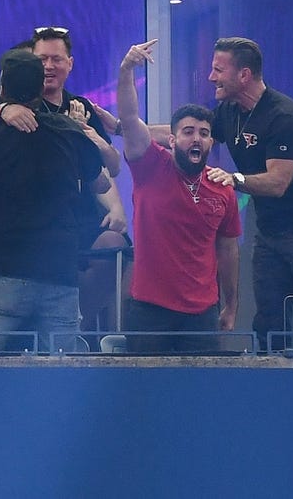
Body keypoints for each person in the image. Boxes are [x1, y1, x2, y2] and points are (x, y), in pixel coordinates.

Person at [0, 50, 109, 353]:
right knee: (60, 376)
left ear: (2, 89)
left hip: (1, 269)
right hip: (59, 270)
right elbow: (102, 182)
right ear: (43, 87)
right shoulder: (68, 132)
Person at [0, 27, 129, 332]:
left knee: (116, 244)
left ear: (70, 64)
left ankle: (79, 323)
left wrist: (85, 134)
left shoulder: (82, 109)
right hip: (30, 227)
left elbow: (111, 167)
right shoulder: (10, 103)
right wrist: (5, 110)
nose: (49, 67)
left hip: (79, 218)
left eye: (57, 59)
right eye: (42, 60)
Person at [202, 37, 293, 349]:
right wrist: (123, 128)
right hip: (269, 233)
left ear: (244, 75)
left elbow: (279, 183)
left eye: (217, 70)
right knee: (268, 320)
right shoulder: (230, 112)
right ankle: (271, 390)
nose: (211, 77)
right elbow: (189, 130)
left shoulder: (284, 117)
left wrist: (233, 179)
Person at [117, 39, 241, 353]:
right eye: (188, 132)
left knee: (199, 398)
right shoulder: (150, 166)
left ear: (212, 142)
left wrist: (232, 304)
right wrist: (127, 69)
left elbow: (228, 250)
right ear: (172, 140)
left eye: (203, 133)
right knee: (146, 396)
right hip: (149, 309)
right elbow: (130, 119)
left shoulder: (221, 186)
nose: (196, 138)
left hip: (201, 313)